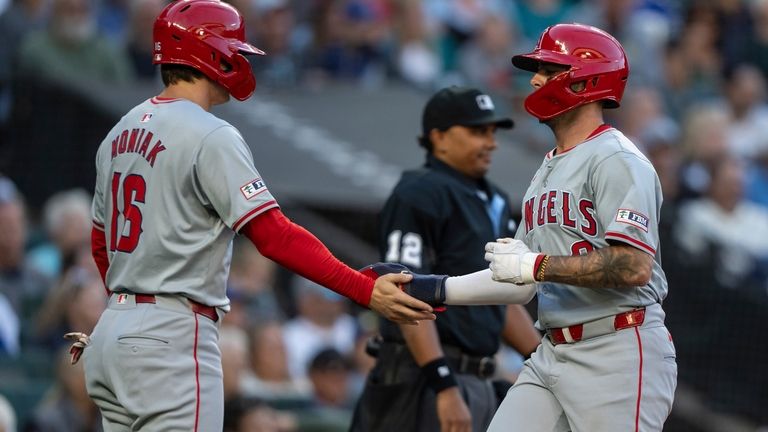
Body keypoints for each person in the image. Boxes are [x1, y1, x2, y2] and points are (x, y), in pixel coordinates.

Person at [73, 1, 434, 430]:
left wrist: (122, 311)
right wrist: (362, 288)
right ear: (205, 52)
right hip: (169, 336)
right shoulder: (210, 133)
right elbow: (274, 237)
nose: (240, 59)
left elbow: (102, 246)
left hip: (112, 332)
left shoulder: (118, 133)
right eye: (233, 49)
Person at [366, 23, 678, 432]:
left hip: (617, 347)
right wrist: (434, 287)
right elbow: (519, 279)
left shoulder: (617, 158)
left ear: (585, 81)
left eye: (549, 70)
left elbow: (632, 266)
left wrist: (536, 266)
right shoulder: (548, 165)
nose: (535, 80)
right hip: (553, 352)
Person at [350, 86, 541, 432]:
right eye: (476, 131)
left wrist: (542, 362)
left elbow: (499, 297)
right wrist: (444, 384)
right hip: (423, 379)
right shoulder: (420, 191)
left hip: (478, 379)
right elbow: (404, 292)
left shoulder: (493, 198)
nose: (490, 142)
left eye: (492, 132)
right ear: (439, 137)